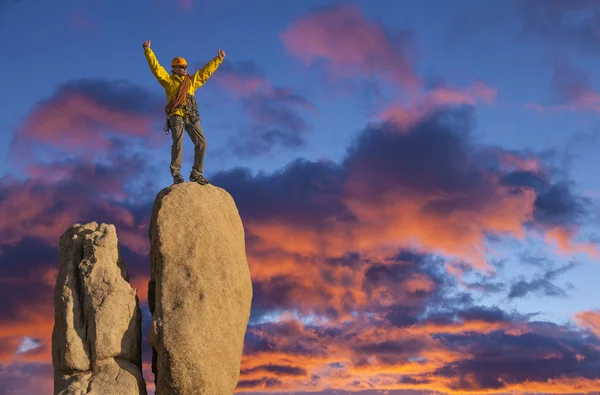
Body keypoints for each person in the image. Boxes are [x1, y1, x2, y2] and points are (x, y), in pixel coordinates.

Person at [142, 39, 225, 185]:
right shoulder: (168, 81)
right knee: (178, 145)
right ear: (174, 68)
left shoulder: (190, 82)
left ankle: (196, 173)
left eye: (185, 67)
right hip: (177, 117)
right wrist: (148, 51)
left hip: (191, 116)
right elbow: (156, 68)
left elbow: (204, 73)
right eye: (181, 67)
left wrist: (218, 60)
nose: (185, 69)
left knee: (202, 143)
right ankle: (176, 174)